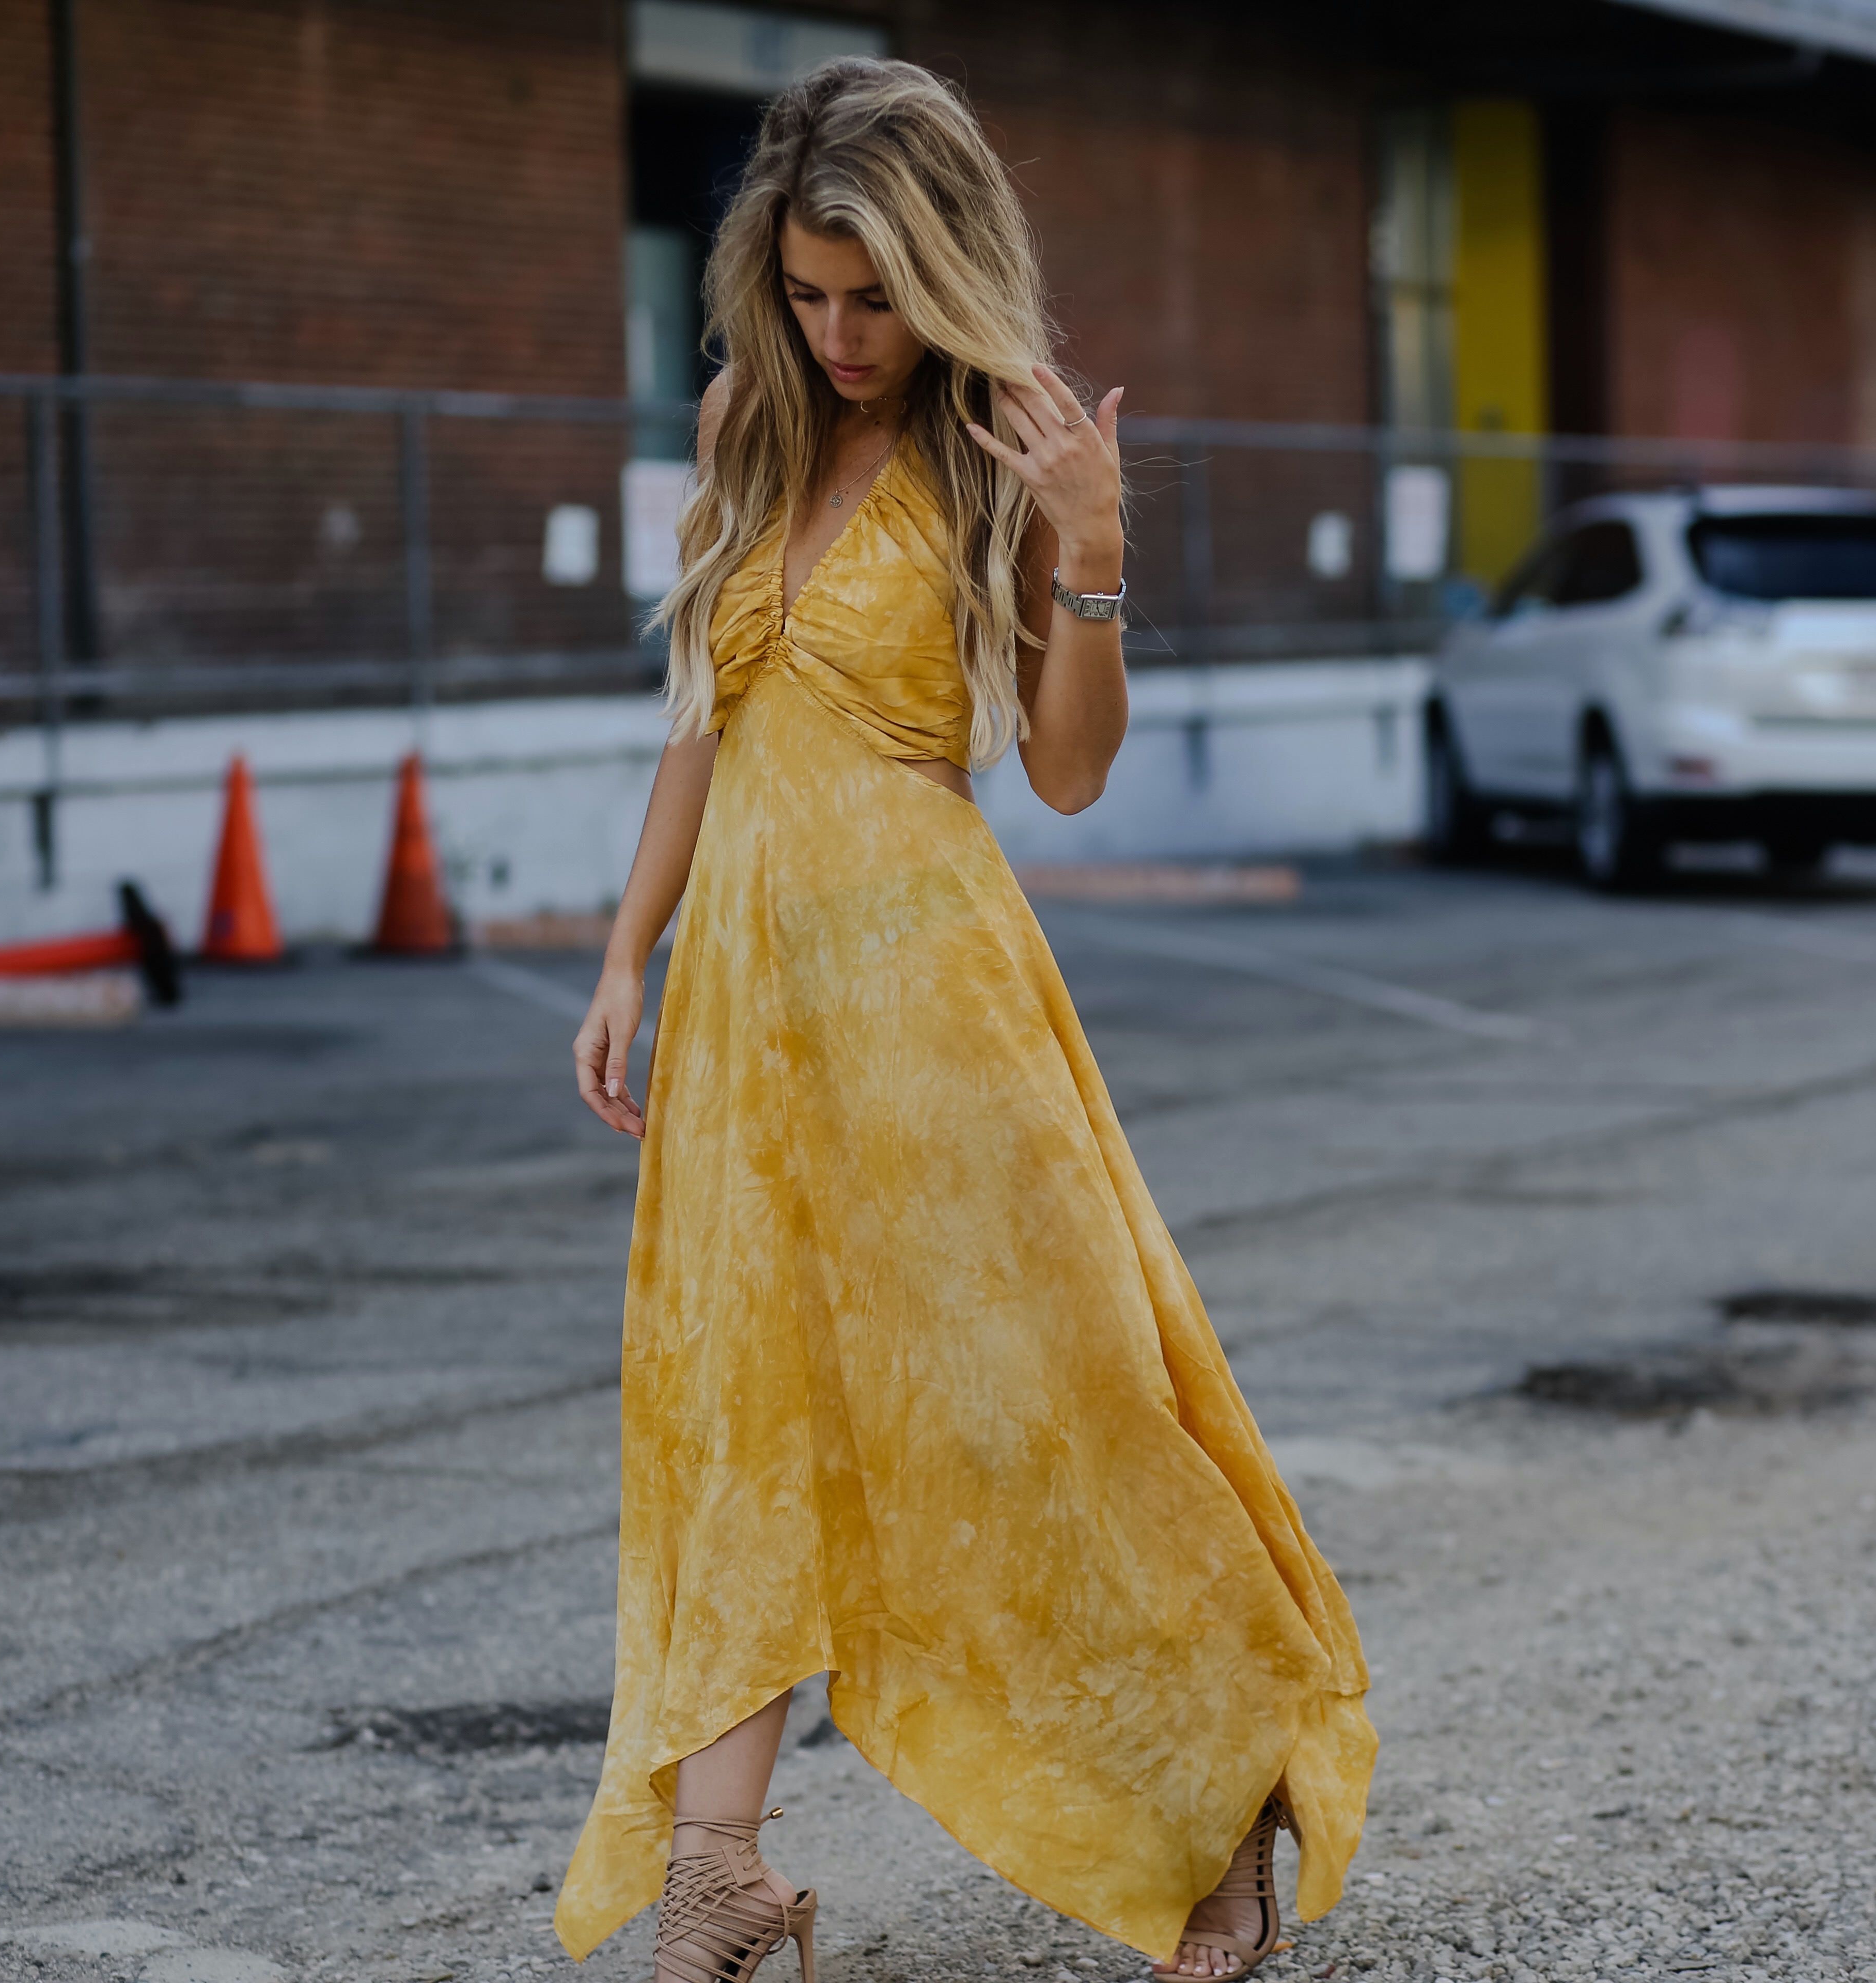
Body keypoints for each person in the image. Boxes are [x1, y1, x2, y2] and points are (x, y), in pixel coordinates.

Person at [556, 55, 1374, 1983]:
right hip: (748, 1016)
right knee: (727, 1411)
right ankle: (722, 1879)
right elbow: (706, 719)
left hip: (934, 1005)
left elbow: (1071, 775)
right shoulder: (748, 416)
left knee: (1050, 1412)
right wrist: (623, 954)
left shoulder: (998, 445)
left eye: (876, 297)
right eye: (815, 293)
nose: (845, 336)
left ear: (942, 269)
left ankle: (1224, 1809)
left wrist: (1091, 555)